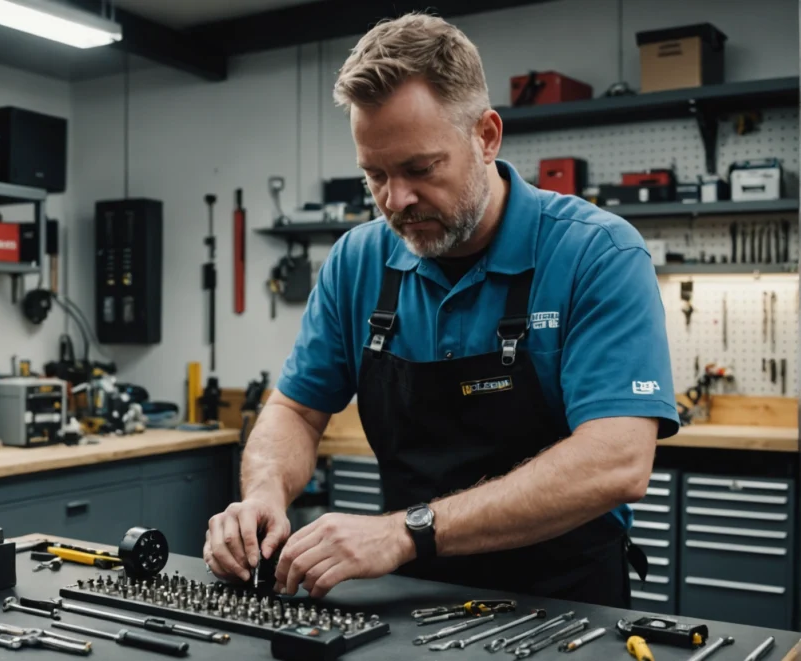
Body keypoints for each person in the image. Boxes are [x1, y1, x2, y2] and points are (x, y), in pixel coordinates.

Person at [203, 12, 678, 608]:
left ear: (485, 136)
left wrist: (406, 532)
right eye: (374, 175)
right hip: (408, 601)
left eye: (419, 170)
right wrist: (263, 495)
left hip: (564, 604)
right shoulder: (358, 261)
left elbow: (618, 460)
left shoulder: (596, 253)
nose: (396, 200)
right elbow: (296, 411)